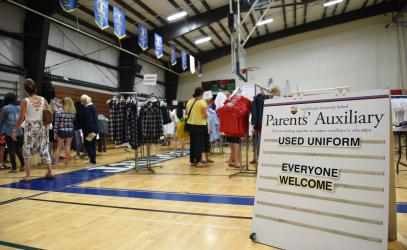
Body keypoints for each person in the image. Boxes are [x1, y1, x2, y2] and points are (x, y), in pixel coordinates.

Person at [12, 79, 54, 181]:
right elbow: (51, 112)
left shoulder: (24, 101)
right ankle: (50, 171)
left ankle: (28, 175)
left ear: (26, 91)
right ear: (35, 89)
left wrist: (15, 130)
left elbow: (21, 117)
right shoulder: (43, 99)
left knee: (27, 149)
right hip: (42, 126)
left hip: (30, 127)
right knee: (44, 148)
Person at [0, 93, 25, 173]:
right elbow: (22, 118)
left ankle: (14, 168)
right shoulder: (19, 107)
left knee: (11, 149)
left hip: (9, 131)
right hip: (19, 130)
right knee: (18, 149)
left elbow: (1, 120)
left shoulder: (5, 108)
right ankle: (23, 164)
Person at [186, 87, 209, 167]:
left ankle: (192, 161)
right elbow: (206, 115)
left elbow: (186, 112)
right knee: (199, 143)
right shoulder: (202, 102)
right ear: (202, 93)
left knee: (193, 143)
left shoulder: (189, 101)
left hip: (190, 125)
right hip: (199, 125)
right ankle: (198, 161)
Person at [53, 97, 76, 168]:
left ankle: (56, 165)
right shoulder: (73, 112)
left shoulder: (59, 111)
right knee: (68, 147)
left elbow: (56, 123)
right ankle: (66, 164)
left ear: (63, 103)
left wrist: (55, 132)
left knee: (59, 148)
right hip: (70, 130)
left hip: (61, 130)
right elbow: (73, 121)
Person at [81, 95, 99, 166]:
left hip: (89, 130)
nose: (81, 103)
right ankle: (92, 160)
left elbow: (89, 121)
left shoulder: (88, 108)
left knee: (87, 144)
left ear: (85, 101)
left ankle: (93, 161)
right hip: (94, 129)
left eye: (82, 101)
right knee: (92, 145)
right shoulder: (93, 107)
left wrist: (89, 130)